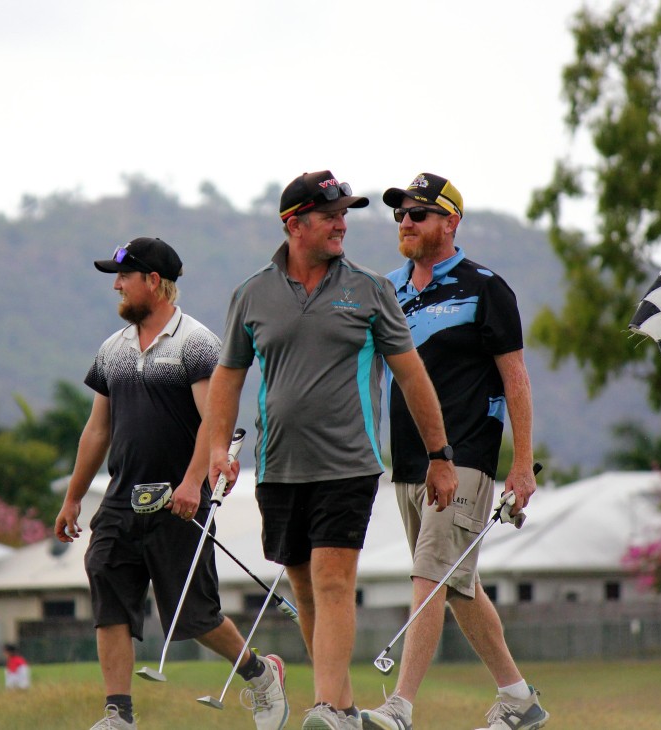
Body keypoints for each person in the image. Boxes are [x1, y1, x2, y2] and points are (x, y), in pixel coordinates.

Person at [205, 171, 457, 730]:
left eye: (346, 212)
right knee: (305, 587)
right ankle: (341, 709)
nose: (343, 222)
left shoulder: (370, 289)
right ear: (295, 224)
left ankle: (323, 708)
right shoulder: (251, 293)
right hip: (276, 466)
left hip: (349, 464)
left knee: (333, 579)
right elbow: (227, 379)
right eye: (330, 214)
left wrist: (440, 455)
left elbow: (413, 377)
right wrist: (219, 449)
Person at [54, 237, 288, 730]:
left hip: (179, 502)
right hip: (120, 502)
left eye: (124, 278)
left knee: (196, 619)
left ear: (154, 283)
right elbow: (98, 429)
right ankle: (119, 715)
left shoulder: (196, 342)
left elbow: (214, 420)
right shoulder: (111, 350)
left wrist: (191, 483)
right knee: (109, 598)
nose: (116, 287)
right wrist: (74, 497)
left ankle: (260, 673)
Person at [361, 173, 549, 730]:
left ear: (450, 222)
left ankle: (399, 708)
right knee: (457, 583)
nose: (406, 222)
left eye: (418, 214)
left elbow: (516, 379)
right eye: (400, 214)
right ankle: (518, 697)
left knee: (429, 574)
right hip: (408, 462)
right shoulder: (387, 290)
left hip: (466, 455)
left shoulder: (486, 287)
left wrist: (520, 465)